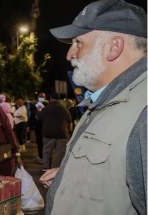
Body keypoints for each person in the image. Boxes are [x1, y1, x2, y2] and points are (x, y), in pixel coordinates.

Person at [40, 1, 147, 215]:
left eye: (78, 43)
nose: (69, 54)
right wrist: (69, 176)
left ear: (114, 47)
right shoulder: (107, 98)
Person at [36, 93, 72, 171]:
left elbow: (38, 117)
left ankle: (46, 167)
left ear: (51, 99)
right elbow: (70, 121)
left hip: (49, 134)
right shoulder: (64, 109)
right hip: (62, 134)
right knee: (60, 152)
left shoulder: (47, 108)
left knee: (47, 151)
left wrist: (38, 110)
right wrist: (69, 132)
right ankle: (57, 169)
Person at [26, 92, 48, 163]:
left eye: (43, 96)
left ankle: (43, 157)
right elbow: (32, 116)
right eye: (40, 96)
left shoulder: (47, 105)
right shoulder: (35, 105)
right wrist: (29, 125)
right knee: (39, 142)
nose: (41, 97)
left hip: (44, 126)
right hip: (37, 127)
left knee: (44, 142)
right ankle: (40, 155)